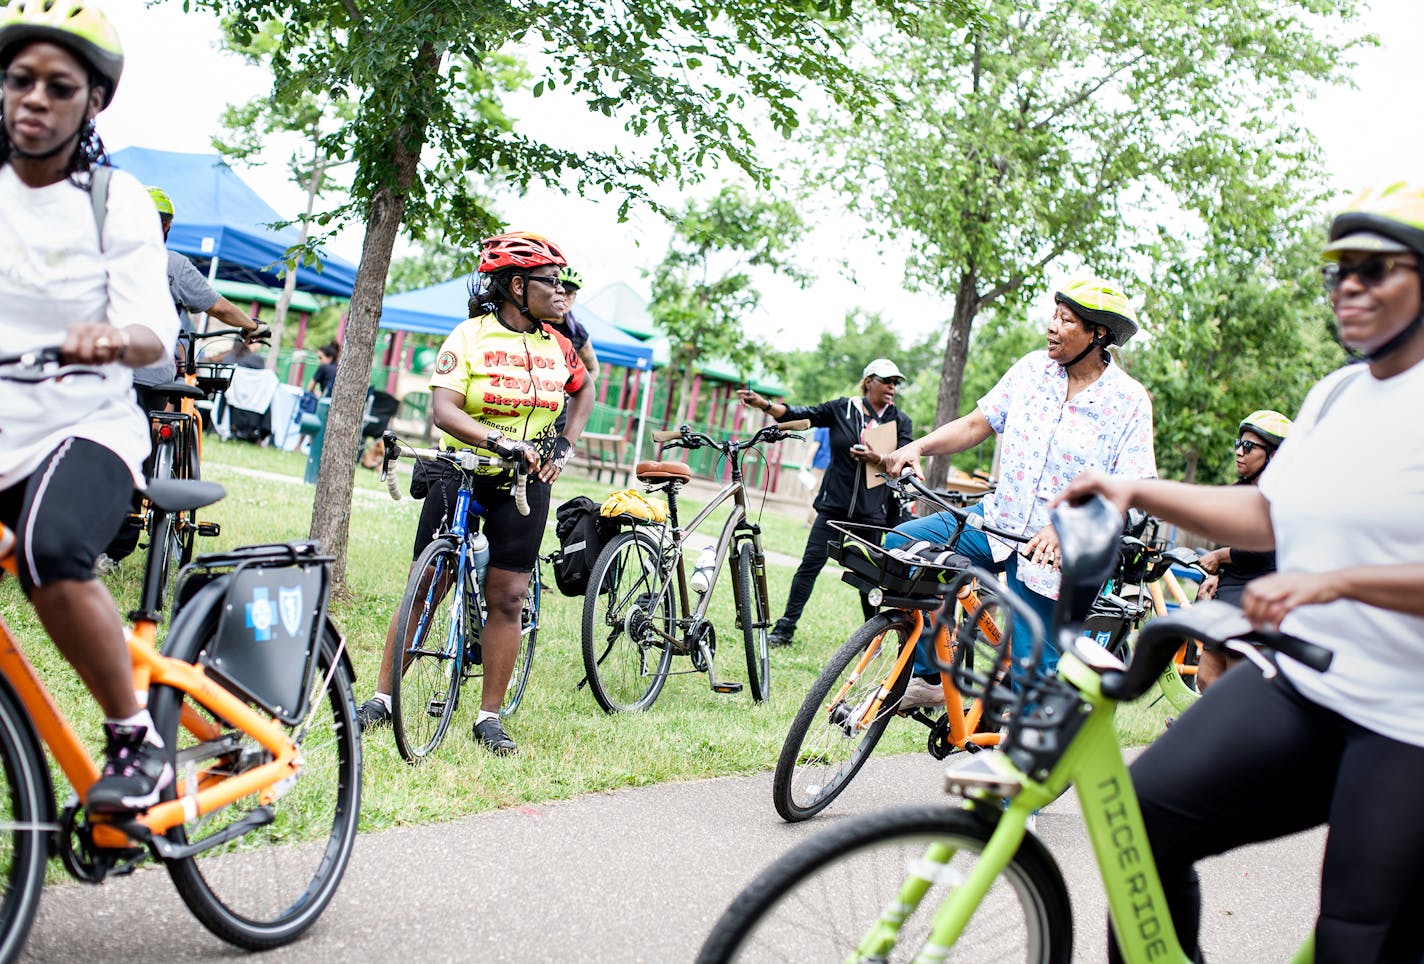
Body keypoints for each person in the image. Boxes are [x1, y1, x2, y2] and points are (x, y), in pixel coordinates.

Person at [1059, 182, 1424, 963]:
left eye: (1377, 268)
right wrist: (1133, 489)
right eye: (1339, 270)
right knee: (1136, 823)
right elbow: (1268, 516)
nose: (1348, 287)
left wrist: (1339, 581)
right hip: (1305, 681)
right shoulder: (1337, 395)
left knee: (1355, 943)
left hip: (1409, 722)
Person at [0, 0, 178, 813]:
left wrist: (109, 341)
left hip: (87, 429)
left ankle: (137, 740)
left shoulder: (114, 200)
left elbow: (156, 335)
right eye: (19, 81)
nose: (33, 99)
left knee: (50, 548)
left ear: (93, 102)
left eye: (58, 86)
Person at [356, 231, 593, 755]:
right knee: (427, 584)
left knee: (507, 597)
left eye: (562, 283)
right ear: (516, 285)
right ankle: (383, 699)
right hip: (460, 470)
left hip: (524, 484)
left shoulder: (559, 346)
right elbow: (444, 410)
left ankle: (488, 717)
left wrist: (564, 449)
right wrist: (500, 440)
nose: (561, 293)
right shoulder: (468, 337)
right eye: (550, 283)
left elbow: (583, 392)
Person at [881, 277, 1156, 705]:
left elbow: (1134, 490)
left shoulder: (1129, 400)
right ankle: (931, 676)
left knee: (1032, 686)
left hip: (1055, 555)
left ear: (1098, 334)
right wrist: (918, 446)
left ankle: (1029, 745)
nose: (1051, 326)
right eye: (1053, 315)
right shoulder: (1031, 370)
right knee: (904, 544)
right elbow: (977, 423)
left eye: (1065, 320)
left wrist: (1066, 530)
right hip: (996, 522)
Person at [737, 358, 913, 648]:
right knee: (809, 566)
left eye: (896, 383)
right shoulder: (842, 408)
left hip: (872, 514)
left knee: (869, 581)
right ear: (869, 381)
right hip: (833, 509)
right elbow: (799, 414)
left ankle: (872, 641)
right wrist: (764, 405)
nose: (892, 387)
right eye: (886, 381)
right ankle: (784, 630)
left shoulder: (900, 421)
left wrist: (877, 459)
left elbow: (905, 460)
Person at [132, 184, 261, 416]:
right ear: (166, 225)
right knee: (148, 428)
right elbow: (219, 308)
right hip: (150, 373)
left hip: (106, 368)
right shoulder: (174, 265)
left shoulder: (107, 257)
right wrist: (252, 325)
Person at [1192, 409, 1291, 691]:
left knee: (1236, 685)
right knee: (1207, 679)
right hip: (1231, 587)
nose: (1239, 452)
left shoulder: (1282, 496)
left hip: (1258, 593)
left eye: (1249, 447)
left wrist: (1219, 556)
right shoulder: (1242, 490)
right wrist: (1219, 573)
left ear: (1274, 455)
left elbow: (1260, 548)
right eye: (1239, 445)